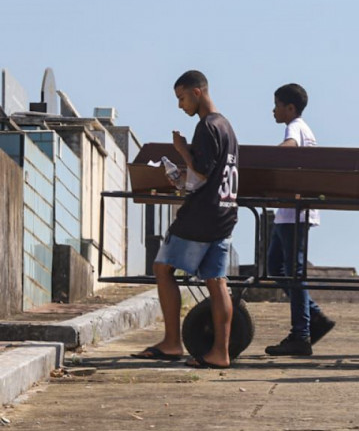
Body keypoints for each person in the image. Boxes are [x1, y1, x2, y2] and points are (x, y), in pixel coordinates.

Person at [131, 70, 239, 369]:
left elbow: (203, 171)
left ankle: (171, 342)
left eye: (181, 98)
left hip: (201, 216)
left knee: (162, 268)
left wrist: (182, 150)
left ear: (196, 92)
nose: (180, 105)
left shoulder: (206, 127)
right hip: (225, 213)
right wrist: (182, 175)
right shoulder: (227, 127)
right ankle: (221, 352)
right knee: (217, 282)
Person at [264, 83, 336, 357]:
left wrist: (265, 159)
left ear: (290, 108)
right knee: (275, 267)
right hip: (288, 213)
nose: (273, 110)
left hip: (294, 213)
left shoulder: (295, 127)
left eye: (277, 105)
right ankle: (313, 317)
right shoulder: (301, 127)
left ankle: (301, 334)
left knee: (293, 271)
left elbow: (289, 147)